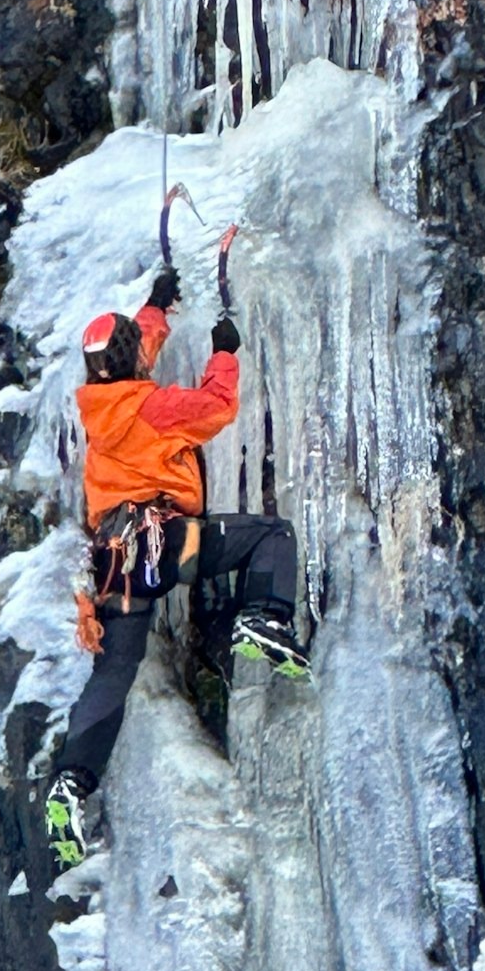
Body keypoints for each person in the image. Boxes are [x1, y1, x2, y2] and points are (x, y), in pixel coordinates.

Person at [43, 266, 311, 871]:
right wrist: (224, 353)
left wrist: (157, 307)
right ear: (128, 361)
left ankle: (71, 781)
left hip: (114, 567)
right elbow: (217, 407)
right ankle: (263, 619)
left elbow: (131, 351)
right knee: (271, 536)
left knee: (114, 672)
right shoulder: (155, 407)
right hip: (164, 544)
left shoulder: (98, 407)